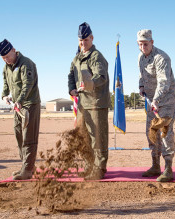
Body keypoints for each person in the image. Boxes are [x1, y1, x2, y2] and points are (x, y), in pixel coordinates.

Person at [68, 22, 110, 180]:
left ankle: (99, 169)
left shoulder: (96, 56)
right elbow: (71, 75)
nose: (83, 43)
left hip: (96, 104)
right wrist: (72, 89)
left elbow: (102, 77)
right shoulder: (77, 57)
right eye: (80, 41)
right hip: (82, 104)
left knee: (98, 138)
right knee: (83, 136)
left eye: (86, 40)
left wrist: (89, 83)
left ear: (91, 38)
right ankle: (88, 165)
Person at [137, 29, 175, 182]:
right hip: (151, 101)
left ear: (152, 42)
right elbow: (141, 75)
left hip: (166, 99)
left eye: (145, 44)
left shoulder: (162, 58)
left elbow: (164, 82)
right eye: (140, 44)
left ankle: (168, 168)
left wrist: (157, 99)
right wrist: (141, 86)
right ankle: (155, 165)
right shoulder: (141, 57)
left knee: (166, 131)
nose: (143, 47)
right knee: (152, 131)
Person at [0, 39, 41, 180]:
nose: (6, 60)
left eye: (7, 56)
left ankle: (27, 170)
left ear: (14, 50)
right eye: (3, 58)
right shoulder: (6, 67)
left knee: (29, 136)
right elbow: (5, 83)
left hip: (29, 104)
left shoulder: (26, 63)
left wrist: (20, 101)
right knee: (19, 136)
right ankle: (26, 166)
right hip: (17, 107)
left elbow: (28, 84)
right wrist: (4, 95)